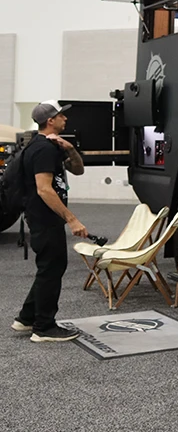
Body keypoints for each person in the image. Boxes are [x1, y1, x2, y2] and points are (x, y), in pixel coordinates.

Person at [11, 100, 87, 343]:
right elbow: (44, 190)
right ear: (50, 121)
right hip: (45, 218)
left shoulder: (49, 146)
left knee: (50, 268)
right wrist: (72, 219)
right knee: (52, 268)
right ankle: (43, 327)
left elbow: (78, 170)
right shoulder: (42, 149)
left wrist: (70, 149)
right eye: (61, 116)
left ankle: (26, 318)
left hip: (44, 218)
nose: (66, 119)